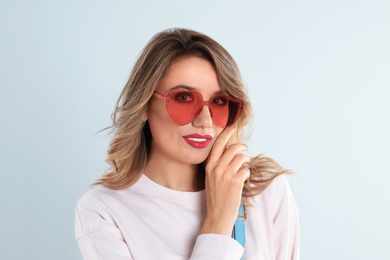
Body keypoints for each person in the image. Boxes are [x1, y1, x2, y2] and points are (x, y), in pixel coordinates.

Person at [75, 28, 299, 260]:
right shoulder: (102, 211)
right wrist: (218, 221)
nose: (205, 121)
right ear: (143, 106)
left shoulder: (265, 189)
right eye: (183, 98)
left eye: (219, 101)